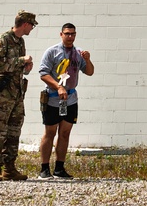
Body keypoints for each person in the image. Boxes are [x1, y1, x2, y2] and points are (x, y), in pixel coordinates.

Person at [37, 23, 95, 179]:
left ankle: (59, 168)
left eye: (73, 34)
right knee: (50, 132)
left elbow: (89, 72)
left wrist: (88, 60)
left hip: (70, 99)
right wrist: (58, 87)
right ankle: (44, 168)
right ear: (61, 34)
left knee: (65, 133)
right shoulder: (52, 52)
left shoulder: (78, 53)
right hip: (53, 98)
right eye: (67, 33)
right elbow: (43, 73)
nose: (70, 37)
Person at [0, 10, 37, 182]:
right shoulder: (2, 40)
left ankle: (10, 168)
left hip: (17, 93)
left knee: (14, 130)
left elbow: (16, 67)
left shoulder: (20, 41)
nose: (32, 28)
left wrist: (26, 68)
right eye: (32, 25)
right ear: (25, 24)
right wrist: (21, 60)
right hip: (2, 94)